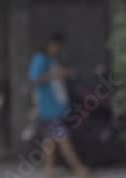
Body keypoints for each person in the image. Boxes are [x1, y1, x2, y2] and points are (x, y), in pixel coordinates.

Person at [28, 32, 91, 178]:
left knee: (50, 140)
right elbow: (35, 80)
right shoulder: (40, 59)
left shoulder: (50, 60)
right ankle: (78, 169)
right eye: (57, 46)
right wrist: (56, 74)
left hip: (54, 108)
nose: (58, 49)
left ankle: (48, 171)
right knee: (63, 139)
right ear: (50, 44)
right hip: (50, 108)